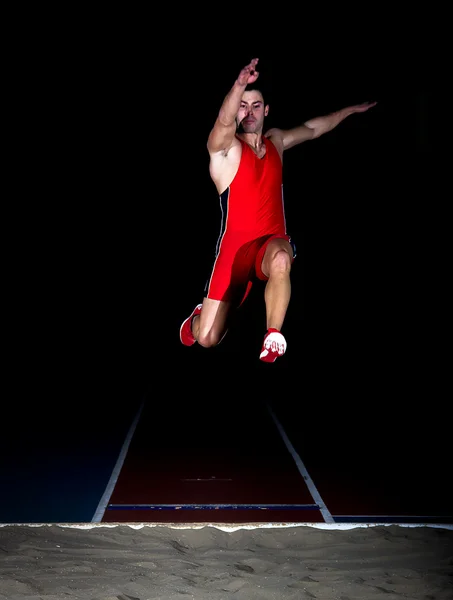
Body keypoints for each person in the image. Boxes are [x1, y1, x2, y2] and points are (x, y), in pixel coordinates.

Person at [180, 57, 376, 363]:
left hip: (269, 243)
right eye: (242, 105)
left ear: (266, 110)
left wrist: (350, 111)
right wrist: (239, 85)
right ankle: (197, 319)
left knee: (283, 258)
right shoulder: (225, 150)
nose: (248, 111)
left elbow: (314, 128)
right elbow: (222, 121)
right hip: (234, 252)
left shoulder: (277, 141)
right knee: (207, 338)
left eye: (255, 105)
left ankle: (273, 335)